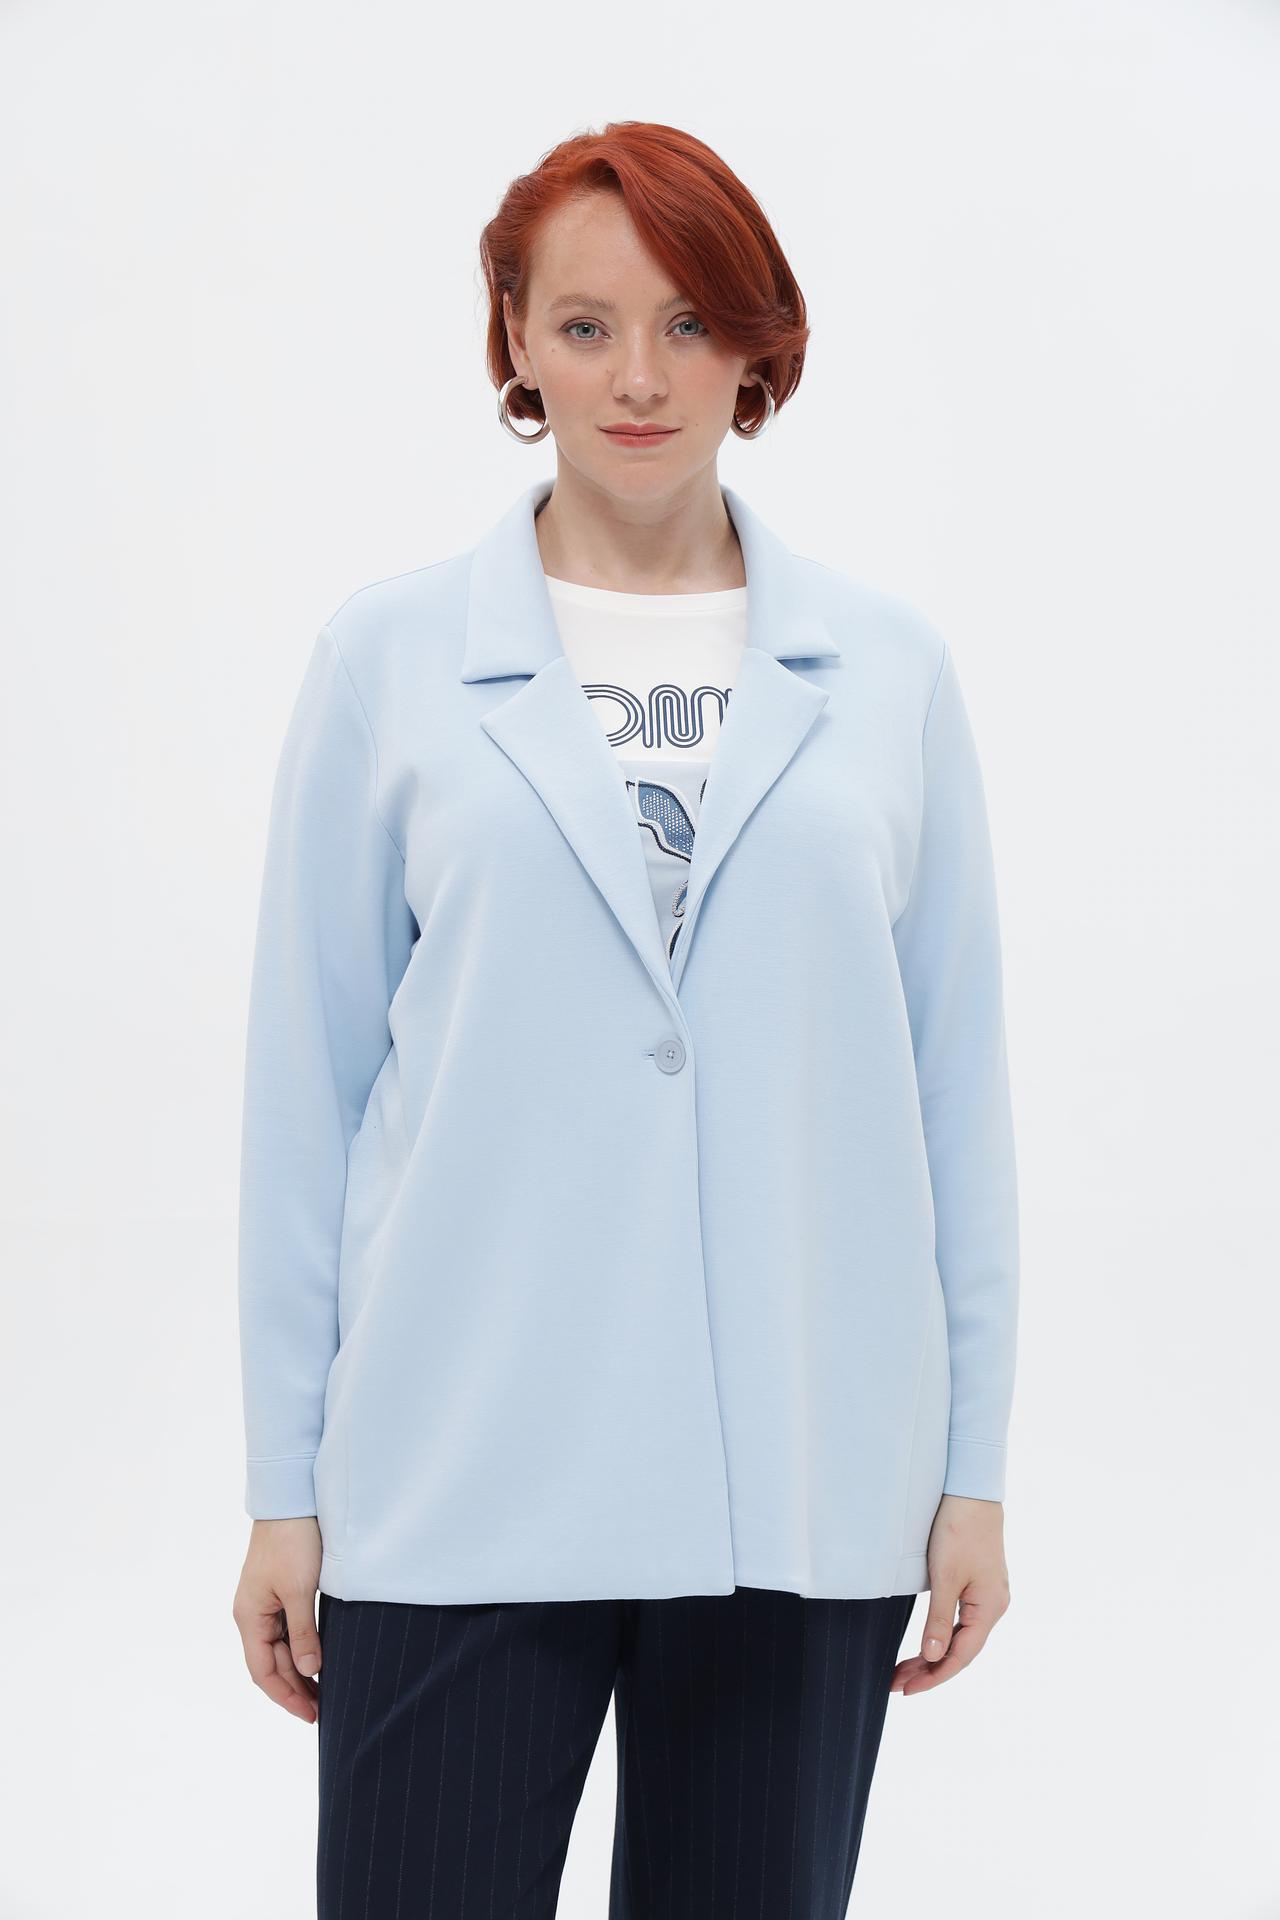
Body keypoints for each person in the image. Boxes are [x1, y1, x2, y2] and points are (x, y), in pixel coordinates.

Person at [232, 120, 1019, 1918]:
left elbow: (953, 1096)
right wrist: (286, 1487)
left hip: (799, 1472)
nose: (640, 381)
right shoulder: (388, 661)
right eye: (586, 328)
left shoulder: (887, 671)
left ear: (758, 345)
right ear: (515, 338)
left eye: (689, 323)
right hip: (463, 1459)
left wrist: (970, 1472)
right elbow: (308, 1099)